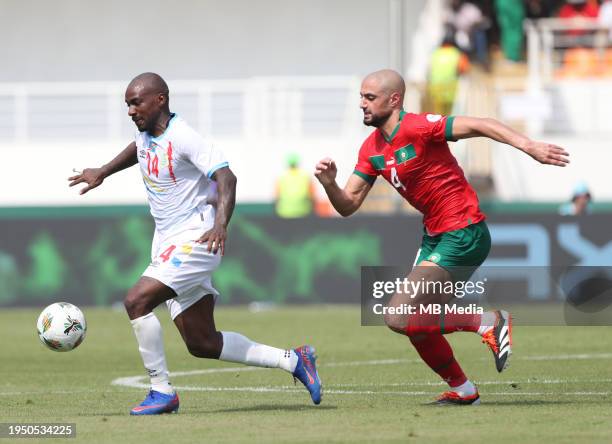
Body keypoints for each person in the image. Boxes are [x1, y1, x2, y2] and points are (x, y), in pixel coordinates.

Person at [68, 73, 321, 415]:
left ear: (160, 99)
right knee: (202, 343)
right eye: (127, 104)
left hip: (196, 239)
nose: (130, 110)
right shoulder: (145, 134)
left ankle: (161, 391)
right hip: (166, 242)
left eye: (135, 102)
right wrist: (103, 170)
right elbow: (138, 150)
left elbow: (226, 176)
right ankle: (294, 360)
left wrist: (220, 224)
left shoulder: (185, 136)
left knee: (136, 301)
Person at [314, 69, 569, 405]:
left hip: (463, 230)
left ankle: (490, 321)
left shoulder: (419, 127)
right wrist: (330, 184)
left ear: (394, 100)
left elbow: (481, 124)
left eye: (369, 98)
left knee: (397, 315)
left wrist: (528, 144)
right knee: (416, 325)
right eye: (361, 97)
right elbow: (348, 205)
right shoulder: (370, 149)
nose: (362, 104)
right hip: (435, 235)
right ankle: (464, 391)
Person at [428, 33, 470, 116]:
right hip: (450, 87)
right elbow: (464, 68)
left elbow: (429, 69)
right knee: (449, 114)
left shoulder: (435, 53)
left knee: (438, 113)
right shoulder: (456, 53)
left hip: (435, 86)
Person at [275, 153, 316, 218]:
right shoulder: (306, 176)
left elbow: (276, 196)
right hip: (303, 212)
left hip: (284, 212)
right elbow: (312, 196)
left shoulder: (281, 177)